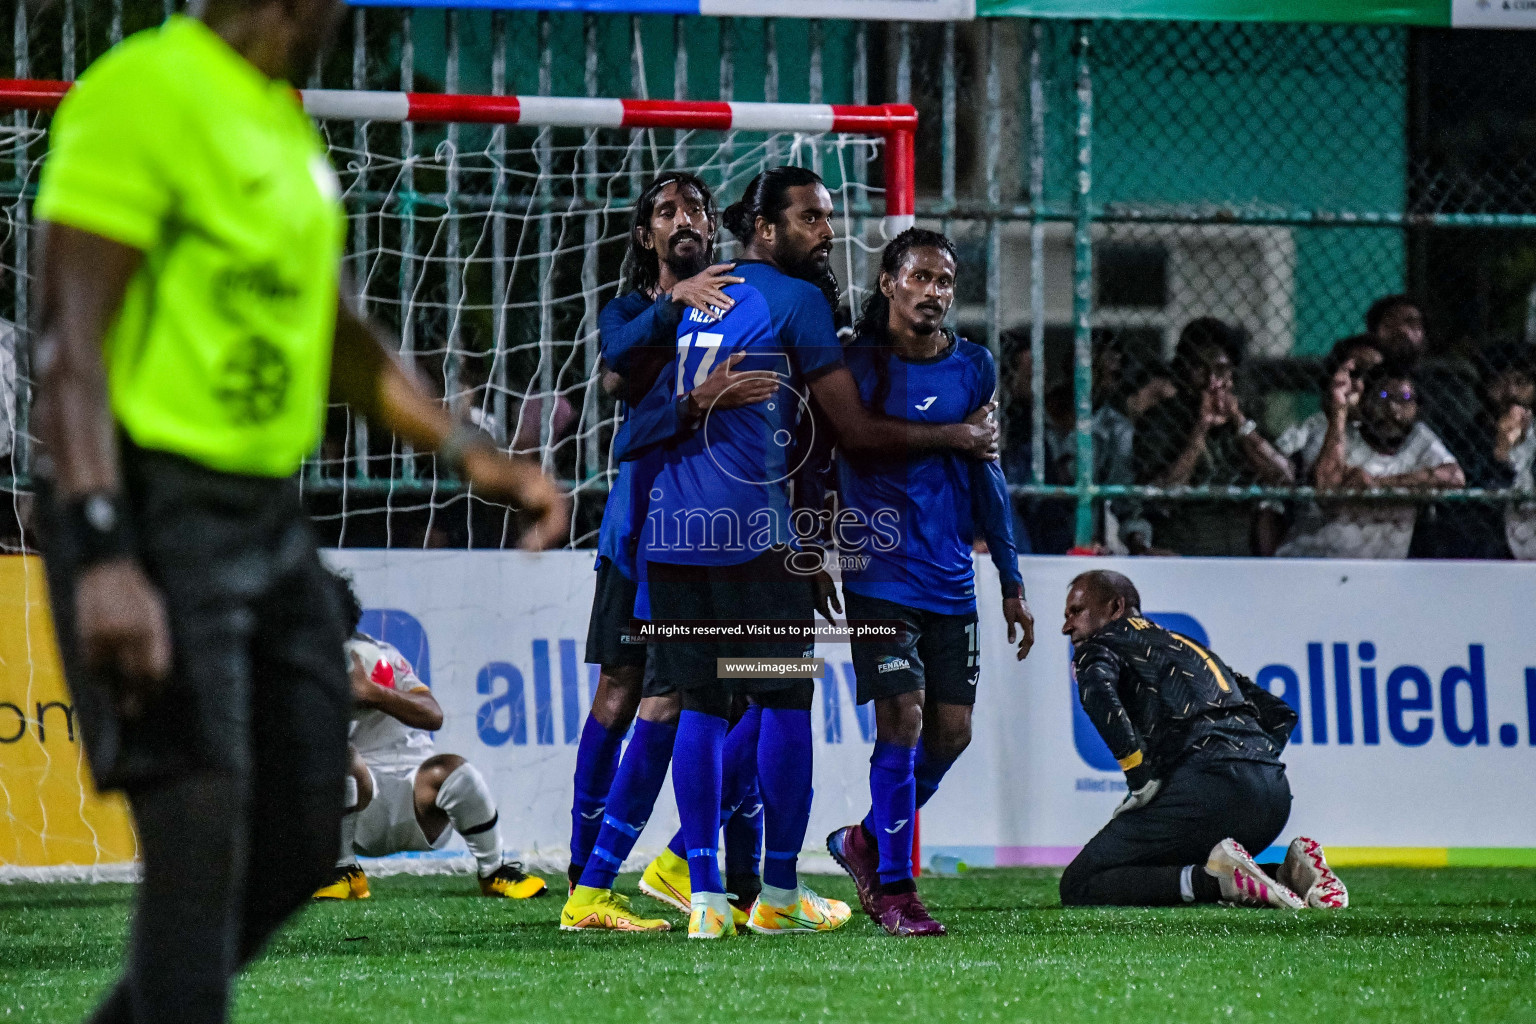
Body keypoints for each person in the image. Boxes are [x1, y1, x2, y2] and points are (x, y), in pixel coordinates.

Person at [30, 5, 567, 1022]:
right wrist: (103, 550)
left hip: (271, 524)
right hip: (152, 513)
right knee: (200, 848)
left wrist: (469, 454)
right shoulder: (142, 93)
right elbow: (70, 345)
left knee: (301, 827)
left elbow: (337, 327)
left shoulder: (277, 121)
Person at [627, 166, 999, 939]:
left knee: (699, 708)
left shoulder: (702, 292)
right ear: (766, 227)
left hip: (674, 532)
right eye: (812, 219)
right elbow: (851, 430)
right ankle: (781, 893)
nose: (828, 232)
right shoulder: (796, 301)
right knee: (782, 705)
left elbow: (633, 408)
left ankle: (700, 897)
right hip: (753, 540)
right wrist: (960, 436)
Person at [562, 172, 779, 932]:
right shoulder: (635, 312)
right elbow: (619, 373)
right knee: (628, 694)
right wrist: (675, 324)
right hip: (642, 532)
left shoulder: (746, 309)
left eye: (694, 208)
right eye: (665, 210)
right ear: (645, 234)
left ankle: (710, 872)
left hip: (720, 533)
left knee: (734, 692)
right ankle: (588, 870)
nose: (682, 218)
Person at [820, 228, 1034, 937]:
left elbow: (987, 472)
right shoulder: (856, 365)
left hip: (950, 575)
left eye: (945, 281)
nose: (934, 293)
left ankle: (863, 842)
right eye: (921, 277)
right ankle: (894, 889)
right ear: (888, 283)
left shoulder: (973, 366)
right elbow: (849, 442)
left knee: (953, 732)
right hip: (878, 571)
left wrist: (1010, 577)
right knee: (902, 718)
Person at [1059, 570, 1347, 911]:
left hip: (1208, 789)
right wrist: (1251, 764)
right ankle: (1289, 873)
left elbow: (1097, 691)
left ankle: (1219, 882)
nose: (1067, 627)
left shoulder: (1100, 645)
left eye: (1075, 612)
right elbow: (1281, 713)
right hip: (1274, 797)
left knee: (1080, 883)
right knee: (1150, 868)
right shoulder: (1186, 644)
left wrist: (1140, 778)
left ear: (1116, 607)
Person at [316, 573, 545, 900]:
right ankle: (343, 871)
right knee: (334, 755)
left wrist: (375, 694)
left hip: (418, 805)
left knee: (454, 770)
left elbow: (432, 714)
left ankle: (494, 871)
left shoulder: (378, 657)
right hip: (352, 807)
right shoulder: (293, 667)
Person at [1133, 318, 1294, 556]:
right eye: (1200, 369)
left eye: (1220, 370)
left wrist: (1238, 421)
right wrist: (1201, 427)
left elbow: (1284, 477)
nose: (1212, 382)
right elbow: (1164, 496)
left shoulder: (1247, 416)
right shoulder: (1162, 418)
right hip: (1184, 545)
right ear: (1185, 371)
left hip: (1241, 547)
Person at [1277, 361, 1464, 559]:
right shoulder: (1332, 434)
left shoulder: (1419, 438)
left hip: (1379, 573)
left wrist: (1377, 484)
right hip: (1313, 560)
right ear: (1365, 401)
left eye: (1405, 398)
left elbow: (1454, 477)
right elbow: (1326, 488)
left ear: (1418, 407)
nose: (1392, 409)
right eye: (1383, 397)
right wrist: (1339, 411)